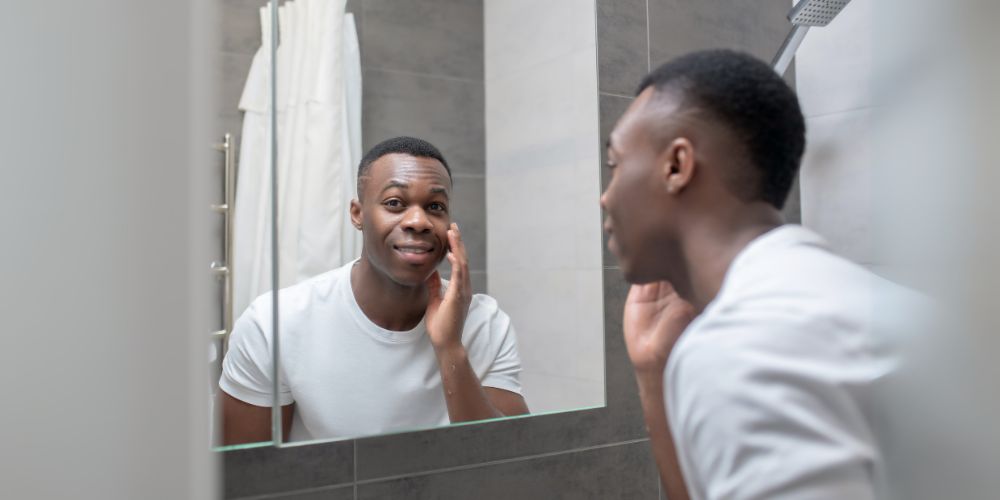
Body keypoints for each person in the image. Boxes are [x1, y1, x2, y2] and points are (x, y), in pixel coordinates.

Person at [602, 50, 899, 499]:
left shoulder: (750, 344)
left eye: (615, 164)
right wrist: (652, 369)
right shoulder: (828, 297)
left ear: (676, 166)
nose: (605, 198)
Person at [220, 136, 529, 444]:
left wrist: (450, 348)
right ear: (357, 214)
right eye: (395, 203)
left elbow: (515, 464)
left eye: (435, 206)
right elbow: (246, 477)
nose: (419, 221)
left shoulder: (486, 324)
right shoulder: (274, 323)